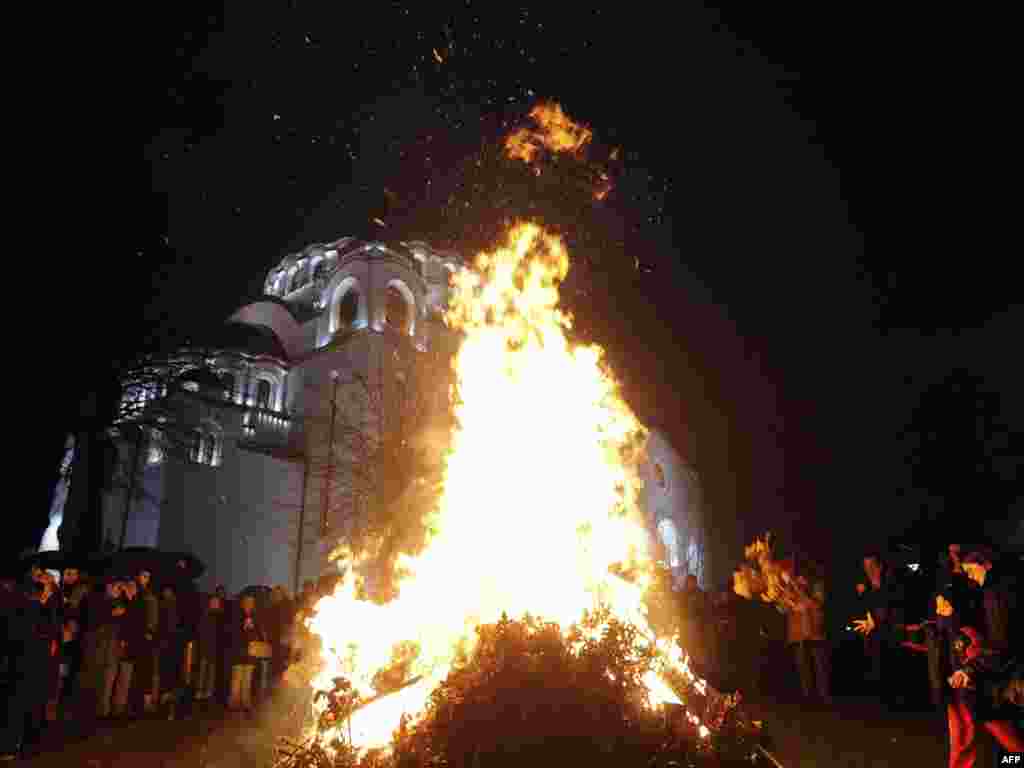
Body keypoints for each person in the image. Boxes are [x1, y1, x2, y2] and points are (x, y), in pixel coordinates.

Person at [945, 547, 1023, 767]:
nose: (969, 575)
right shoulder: (998, 589)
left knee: (1012, 745)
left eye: (971, 570)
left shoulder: (995, 594)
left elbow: (1002, 647)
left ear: (986, 564)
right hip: (1006, 676)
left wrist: (970, 669)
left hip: (1011, 679)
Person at [853, 552, 906, 707]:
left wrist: (877, 621)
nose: (869, 570)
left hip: (890, 634)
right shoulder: (865, 588)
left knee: (892, 666)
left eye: (872, 566)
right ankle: (879, 699)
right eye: (866, 567)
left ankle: (896, 699)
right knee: (875, 664)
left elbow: (894, 607)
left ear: (880, 566)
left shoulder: (891, 583)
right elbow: (862, 609)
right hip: (872, 635)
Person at [229, 595, 266, 713]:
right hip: (238, 651)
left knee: (248, 678)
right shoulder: (236, 615)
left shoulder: (255, 616)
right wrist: (242, 627)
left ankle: (245, 702)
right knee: (237, 678)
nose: (249, 604)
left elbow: (259, 633)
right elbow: (232, 632)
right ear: (243, 603)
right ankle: (234, 702)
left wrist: (255, 630)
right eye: (247, 602)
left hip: (251, 652)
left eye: (251, 602)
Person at [195, 593, 225, 703]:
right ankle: (199, 690)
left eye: (216, 602)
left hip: (215, 647)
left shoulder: (221, 616)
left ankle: (209, 691)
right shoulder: (205, 614)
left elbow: (222, 632)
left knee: (211, 670)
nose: (214, 604)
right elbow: (200, 630)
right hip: (205, 645)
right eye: (213, 602)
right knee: (203, 669)